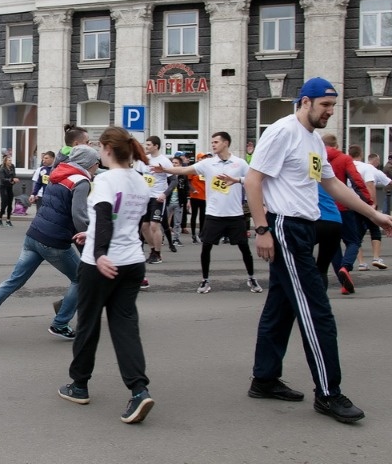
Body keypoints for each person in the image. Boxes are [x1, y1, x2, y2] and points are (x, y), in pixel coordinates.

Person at [244, 77, 392, 424]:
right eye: (325, 105)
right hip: (284, 227)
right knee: (317, 310)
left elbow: (331, 183)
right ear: (306, 102)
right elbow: (253, 180)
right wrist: (263, 229)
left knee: (280, 308)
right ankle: (328, 394)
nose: (330, 112)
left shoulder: (312, 140)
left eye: (333, 106)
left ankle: (264, 379)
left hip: (303, 227)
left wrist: (373, 214)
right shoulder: (282, 131)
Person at [57, 126, 155, 425]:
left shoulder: (104, 180)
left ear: (107, 149)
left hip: (102, 265)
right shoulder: (140, 182)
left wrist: (99, 253)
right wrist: (94, 234)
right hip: (133, 262)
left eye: (100, 148)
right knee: (125, 326)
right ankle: (139, 390)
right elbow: (139, 222)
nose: (99, 153)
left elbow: (104, 217)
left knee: (87, 324)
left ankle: (79, 385)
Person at [0, 145, 98, 342]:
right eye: (97, 165)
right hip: (54, 241)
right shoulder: (81, 181)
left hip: (34, 235)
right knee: (81, 279)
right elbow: (79, 217)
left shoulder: (57, 172)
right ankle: (61, 323)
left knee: (13, 281)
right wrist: (92, 235)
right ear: (92, 164)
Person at [154, 132, 262, 294]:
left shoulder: (239, 163)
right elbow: (185, 170)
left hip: (234, 215)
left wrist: (237, 180)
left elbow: (253, 180)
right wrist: (165, 169)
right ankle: (205, 280)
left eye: (216, 142)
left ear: (226, 143)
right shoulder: (208, 163)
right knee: (206, 248)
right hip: (214, 215)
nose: (213, 144)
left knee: (244, 248)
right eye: (212, 142)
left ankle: (252, 278)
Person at [320, 134, 371, 294]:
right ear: (336, 145)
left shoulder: (315, 156)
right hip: (343, 205)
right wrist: (367, 202)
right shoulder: (344, 159)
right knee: (354, 241)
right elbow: (357, 181)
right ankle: (346, 267)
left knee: (333, 246)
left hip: (321, 209)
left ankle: (343, 281)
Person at [133, 136, 172, 265]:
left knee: (154, 225)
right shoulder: (142, 160)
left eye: (149, 145)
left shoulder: (164, 161)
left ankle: (158, 254)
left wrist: (165, 194)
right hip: (145, 197)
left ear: (156, 146)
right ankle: (152, 250)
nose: (146, 147)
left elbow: (174, 180)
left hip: (158, 197)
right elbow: (137, 176)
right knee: (144, 227)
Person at [188, 155, 207, 243]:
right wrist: (193, 189)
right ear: (198, 159)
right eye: (201, 158)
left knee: (203, 216)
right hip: (195, 196)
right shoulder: (193, 169)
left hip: (204, 196)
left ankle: (201, 234)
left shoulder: (206, 169)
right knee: (194, 215)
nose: (203, 159)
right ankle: (193, 235)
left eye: (204, 158)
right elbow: (188, 182)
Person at [0, 154, 19, 227]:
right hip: (3, 187)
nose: (10, 162)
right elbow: (2, 180)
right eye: (9, 160)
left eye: (11, 160)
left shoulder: (12, 167)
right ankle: (0, 218)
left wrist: (14, 180)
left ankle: (8, 220)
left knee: (10, 203)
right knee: (4, 203)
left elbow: (14, 175)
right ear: (5, 161)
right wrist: (11, 179)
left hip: (10, 187)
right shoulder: (2, 168)